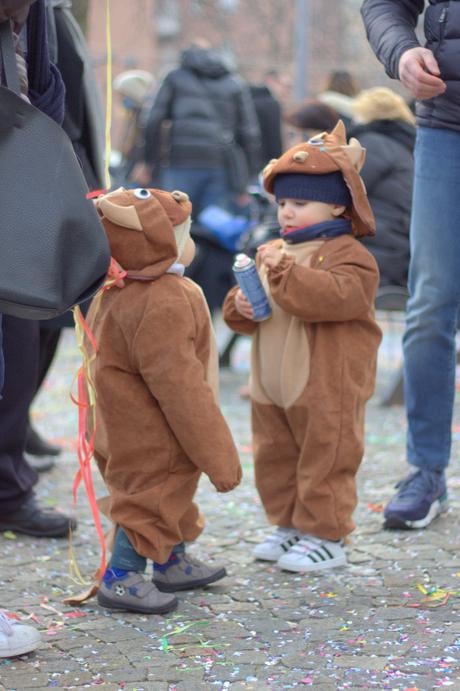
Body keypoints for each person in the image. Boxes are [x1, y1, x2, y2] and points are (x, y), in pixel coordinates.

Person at [222, 122, 381, 572]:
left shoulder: (349, 254)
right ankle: (289, 522)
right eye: (283, 203)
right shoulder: (275, 249)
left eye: (300, 203)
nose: (288, 213)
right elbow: (250, 308)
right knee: (276, 453)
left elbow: (333, 299)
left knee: (325, 453)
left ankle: (327, 533)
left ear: (335, 203)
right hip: (273, 380)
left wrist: (282, 274)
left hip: (324, 381)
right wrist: (240, 306)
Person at [85, 186, 242, 613]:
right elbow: (180, 388)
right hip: (154, 429)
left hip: (119, 423)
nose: (191, 244)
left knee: (166, 492)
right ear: (160, 243)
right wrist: (219, 455)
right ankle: (121, 577)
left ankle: (170, 560)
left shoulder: (118, 288)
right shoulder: (162, 300)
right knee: (150, 498)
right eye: (185, 235)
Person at [361, 0, 456, 529]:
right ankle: (426, 470)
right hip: (448, 124)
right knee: (431, 302)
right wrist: (401, 52)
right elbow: (384, 5)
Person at [0, 0, 76, 537]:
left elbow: (49, 84)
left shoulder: (39, 16)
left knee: (19, 344)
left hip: (17, 169)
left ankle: (8, 487)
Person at [137, 40, 261, 217]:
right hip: (219, 162)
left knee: (176, 223)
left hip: (180, 161)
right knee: (215, 225)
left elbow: (153, 121)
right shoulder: (234, 83)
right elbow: (250, 132)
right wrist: (249, 174)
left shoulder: (175, 78)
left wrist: (149, 161)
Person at [350, 87, 416, 288]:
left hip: (372, 249)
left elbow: (344, 191)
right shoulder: (405, 148)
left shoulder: (373, 145)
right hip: (397, 248)